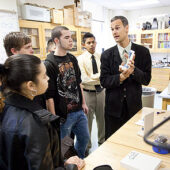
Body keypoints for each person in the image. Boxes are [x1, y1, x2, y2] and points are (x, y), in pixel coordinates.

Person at [0, 54, 85, 170]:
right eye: (44, 76)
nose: (48, 78)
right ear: (31, 85)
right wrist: (71, 167)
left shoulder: (7, 108)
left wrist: (62, 162)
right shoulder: (34, 123)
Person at [100, 16, 152, 139]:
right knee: (113, 142)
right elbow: (104, 81)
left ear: (127, 28)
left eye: (117, 28)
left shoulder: (143, 52)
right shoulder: (106, 55)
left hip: (134, 107)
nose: (114, 32)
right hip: (113, 109)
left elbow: (146, 80)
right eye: (112, 29)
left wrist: (133, 70)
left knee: (133, 140)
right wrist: (121, 77)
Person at [45, 26, 90, 159]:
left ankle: (79, 160)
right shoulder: (49, 64)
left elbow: (78, 82)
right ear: (56, 40)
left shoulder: (72, 58)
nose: (71, 40)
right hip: (64, 116)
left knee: (84, 139)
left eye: (71, 37)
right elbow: (49, 96)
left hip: (78, 111)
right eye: (67, 37)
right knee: (65, 146)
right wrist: (54, 119)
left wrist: (83, 103)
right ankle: (69, 165)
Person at [3, 32, 46, 109]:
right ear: (14, 51)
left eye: (31, 47)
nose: (32, 51)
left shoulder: (30, 69)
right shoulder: (8, 77)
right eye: (27, 47)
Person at [77, 32, 105, 152]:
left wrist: (94, 77)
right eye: (89, 43)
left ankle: (102, 143)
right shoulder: (80, 59)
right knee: (87, 122)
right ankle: (87, 147)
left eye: (93, 42)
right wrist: (99, 77)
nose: (92, 45)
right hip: (87, 93)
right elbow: (84, 79)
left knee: (102, 120)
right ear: (84, 44)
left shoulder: (101, 57)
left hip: (101, 92)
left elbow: (105, 76)